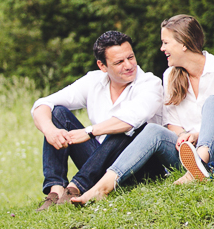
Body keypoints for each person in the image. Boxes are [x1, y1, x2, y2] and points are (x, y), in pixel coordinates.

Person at [71, 15, 214, 203]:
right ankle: (102, 187)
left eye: (165, 42)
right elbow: (171, 124)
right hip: (187, 153)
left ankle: (199, 166)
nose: (162, 48)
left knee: (213, 102)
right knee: (152, 130)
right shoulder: (170, 75)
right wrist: (184, 135)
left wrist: (195, 135)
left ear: (183, 43)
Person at [30, 30, 163, 210]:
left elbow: (131, 120)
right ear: (102, 66)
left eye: (130, 57)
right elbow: (43, 104)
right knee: (58, 114)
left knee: (125, 129)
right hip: (99, 161)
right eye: (119, 62)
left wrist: (89, 132)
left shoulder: (150, 83)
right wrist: (50, 131)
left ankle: (76, 187)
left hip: (137, 165)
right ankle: (56, 191)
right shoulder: (93, 81)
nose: (129, 65)